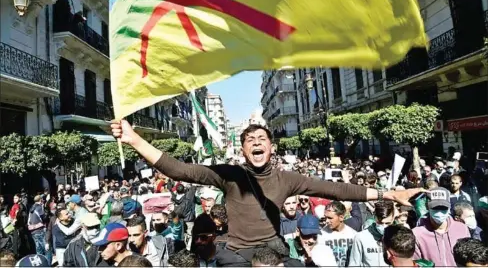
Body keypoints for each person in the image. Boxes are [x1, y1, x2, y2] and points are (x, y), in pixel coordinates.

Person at [111, 122, 419, 263]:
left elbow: (338, 188)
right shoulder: (229, 175)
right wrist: (134, 139)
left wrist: (390, 195)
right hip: (236, 256)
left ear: (271, 147)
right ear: (243, 149)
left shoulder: (288, 179)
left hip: (274, 253)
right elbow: (178, 169)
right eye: (249, 139)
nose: (256, 142)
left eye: (262, 138)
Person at [413, 187, 470, 266]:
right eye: (435, 208)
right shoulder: (417, 234)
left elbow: (469, 258)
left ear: (449, 207)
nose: (439, 212)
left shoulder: (462, 229)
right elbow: (416, 263)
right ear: (427, 206)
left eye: (443, 208)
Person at [349, 201, 394, 267]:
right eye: (380, 223)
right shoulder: (361, 237)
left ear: (393, 218)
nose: (384, 226)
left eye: (387, 223)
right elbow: (354, 264)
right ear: (374, 217)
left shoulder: (398, 236)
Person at [318, 201, 357, 266]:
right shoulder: (321, 235)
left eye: (330, 218)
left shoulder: (353, 235)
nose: (327, 221)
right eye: (325, 217)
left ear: (341, 217)